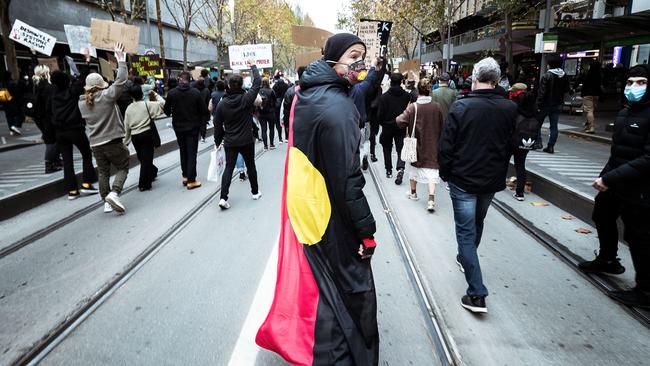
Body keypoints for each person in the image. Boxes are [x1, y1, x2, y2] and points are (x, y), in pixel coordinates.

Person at [256, 33, 378, 366]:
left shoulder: (307, 93)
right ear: (336, 57)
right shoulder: (338, 107)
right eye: (354, 55)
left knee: (322, 283)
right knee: (345, 290)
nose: (360, 63)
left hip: (308, 202)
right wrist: (366, 231)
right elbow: (348, 180)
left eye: (363, 56)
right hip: (326, 209)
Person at [438, 57, 517, 314]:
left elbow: (446, 147)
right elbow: (510, 145)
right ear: (496, 80)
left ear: (474, 78)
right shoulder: (509, 108)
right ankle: (466, 258)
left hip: (463, 180)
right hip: (490, 180)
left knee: (465, 232)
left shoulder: (461, 108)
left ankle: (477, 293)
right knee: (477, 223)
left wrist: (446, 174)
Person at [579, 64, 650, 308]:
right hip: (617, 181)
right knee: (602, 214)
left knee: (639, 237)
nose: (634, 88)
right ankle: (608, 259)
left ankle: (646, 290)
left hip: (641, 188)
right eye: (630, 83)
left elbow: (648, 159)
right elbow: (618, 151)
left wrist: (610, 178)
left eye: (641, 82)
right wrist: (605, 176)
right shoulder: (625, 112)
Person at [78, 43, 130, 214]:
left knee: (103, 172)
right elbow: (121, 81)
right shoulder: (106, 97)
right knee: (123, 166)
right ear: (101, 84)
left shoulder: (82, 103)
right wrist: (121, 59)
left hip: (95, 144)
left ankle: (106, 201)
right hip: (113, 140)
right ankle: (115, 193)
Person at [213, 60, 261, 209]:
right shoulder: (246, 99)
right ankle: (254, 192)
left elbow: (217, 124)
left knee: (229, 168)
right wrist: (253, 66)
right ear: (241, 85)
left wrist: (218, 140)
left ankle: (223, 197)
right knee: (251, 165)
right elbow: (257, 82)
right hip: (246, 140)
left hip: (230, 141)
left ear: (228, 85)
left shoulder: (222, 104)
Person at [49, 66, 98, 200]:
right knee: (86, 153)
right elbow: (82, 80)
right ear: (66, 81)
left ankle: (72, 191)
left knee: (67, 161)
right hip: (74, 129)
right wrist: (87, 62)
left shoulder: (52, 95)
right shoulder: (71, 92)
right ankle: (87, 184)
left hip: (60, 132)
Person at [396, 78, 444, 212]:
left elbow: (400, 121)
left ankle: (413, 192)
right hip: (433, 144)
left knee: (414, 168)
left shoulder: (413, 107)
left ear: (418, 91)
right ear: (430, 90)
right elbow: (442, 125)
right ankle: (431, 200)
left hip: (416, 145)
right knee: (432, 171)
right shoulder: (437, 106)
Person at [164, 71, 207, 189]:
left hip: (178, 127)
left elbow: (166, 111)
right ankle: (191, 180)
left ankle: (185, 175)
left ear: (179, 80)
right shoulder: (195, 93)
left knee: (183, 151)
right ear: (190, 80)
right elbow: (203, 110)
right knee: (192, 153)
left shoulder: (172, 93)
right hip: (193, 127)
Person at [347, 46, 382, 171]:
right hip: (363, 120)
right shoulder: (361, 88)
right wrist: (373, 66)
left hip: (349, 123)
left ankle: (357, 160)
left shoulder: (345, 89)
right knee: (365, 141)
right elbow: (371, 78)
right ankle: (364, 155)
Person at [123, 87, 165, 191]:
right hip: (146, 134)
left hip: (135, 136)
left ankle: (153, 171)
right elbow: (162, 103)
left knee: (142, 158)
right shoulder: (147, 104)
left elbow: (126, 126)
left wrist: (125, 141)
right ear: (142, 94)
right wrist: (155, 94)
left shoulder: (128, 108)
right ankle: (144, 183)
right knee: (146, 159)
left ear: (131, 96)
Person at [377, 72, 411, 183]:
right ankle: (400, 167)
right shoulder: (406, 96)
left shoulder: (384, 97)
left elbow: (380, 115)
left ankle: (388, 170)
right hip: (400, 126)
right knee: (400, 148)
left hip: (387, 126)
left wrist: (383, 124)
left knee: (387, 148)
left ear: (390, 81)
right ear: (401, 82)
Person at [508, 83, 539, 201]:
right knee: (520, 165)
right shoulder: (533, 106)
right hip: (526, 140)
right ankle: (520, 193)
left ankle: (499, 185)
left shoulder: (513, 105)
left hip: (512, 138)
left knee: (504, 161)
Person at [536, 55, 570, 153]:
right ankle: (551, 146)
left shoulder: (547, 75)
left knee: (537, 123)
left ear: (549, 65)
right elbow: (566, 90)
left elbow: (542, 92)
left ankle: (538, 142)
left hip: (545, 104)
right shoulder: (564, 75)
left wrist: (538, 104)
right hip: (557, 104)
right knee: (554, 126)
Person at [32, 63, 62, 173]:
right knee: (51, 141)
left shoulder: (36, 86)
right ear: (46, 74)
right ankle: (49, 165)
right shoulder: (48, 87)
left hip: (40, 118)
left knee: (52, 140)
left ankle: (55, 161)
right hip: (48, 118)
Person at [576, 60, 602, 134]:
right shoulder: (599, 75)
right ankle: (587, 126)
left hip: (587, 94)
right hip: (596, 94)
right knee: (591, 110)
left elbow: (581, 82)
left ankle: (591, 127)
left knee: (589, 110)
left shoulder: (587, 74)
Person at [281, 66, 306, 140]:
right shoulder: (313, 89)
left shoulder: (290, 91)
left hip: (294, 125)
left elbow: (286, 112)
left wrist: (287, 126)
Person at [256, 78, 278, 149]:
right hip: (270, 112)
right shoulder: (271, 91)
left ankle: (265, 145)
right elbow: (275, 101)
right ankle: (271, 144)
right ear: (268, 82)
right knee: (271, 128)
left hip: (261, 113)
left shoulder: (258, 91)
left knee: (263, 129)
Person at [272, 72, 289, 141]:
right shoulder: (286, 85)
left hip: (277, 105)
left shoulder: (275, 86)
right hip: (285, 103)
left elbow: (273, 96)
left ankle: (280, 138)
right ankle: (286, 137)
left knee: (277, 121)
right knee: (285, 120)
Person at [195, 77, 212, 141]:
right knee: (203, 124)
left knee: (197, 123)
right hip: (204, 110)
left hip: (196, 110)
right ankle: (203, 136)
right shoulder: (206, 90)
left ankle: (197, 135)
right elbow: (208, 101)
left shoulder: (194, 90)